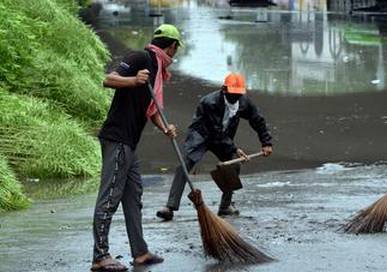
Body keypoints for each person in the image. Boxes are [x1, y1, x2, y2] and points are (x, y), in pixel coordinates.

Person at [91, 24, 182, 272]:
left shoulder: (156, 70)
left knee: (133, 196)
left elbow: (150, 109)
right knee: (110, 196)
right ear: (172, 46)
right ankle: (100, 256)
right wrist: (133, 79)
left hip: (130, 142)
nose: (174, 56)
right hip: (117, 138)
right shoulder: (141, 58)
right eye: (175, 50)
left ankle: (140, 252)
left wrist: (165, 127)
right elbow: (108, 79)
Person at [156, 73, 273, 220]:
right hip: (201, 135)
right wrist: (235, 148)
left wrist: (266, 142)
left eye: (238, 94)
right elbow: (215, 130)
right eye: (232, 94)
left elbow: (258, 120)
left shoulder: (243, 103)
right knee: (184, 164)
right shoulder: (209, 102)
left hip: (223, 137)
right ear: (224, 90)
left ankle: (225, 206)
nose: (235, 97)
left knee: (233, 165)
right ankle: (170, 206)